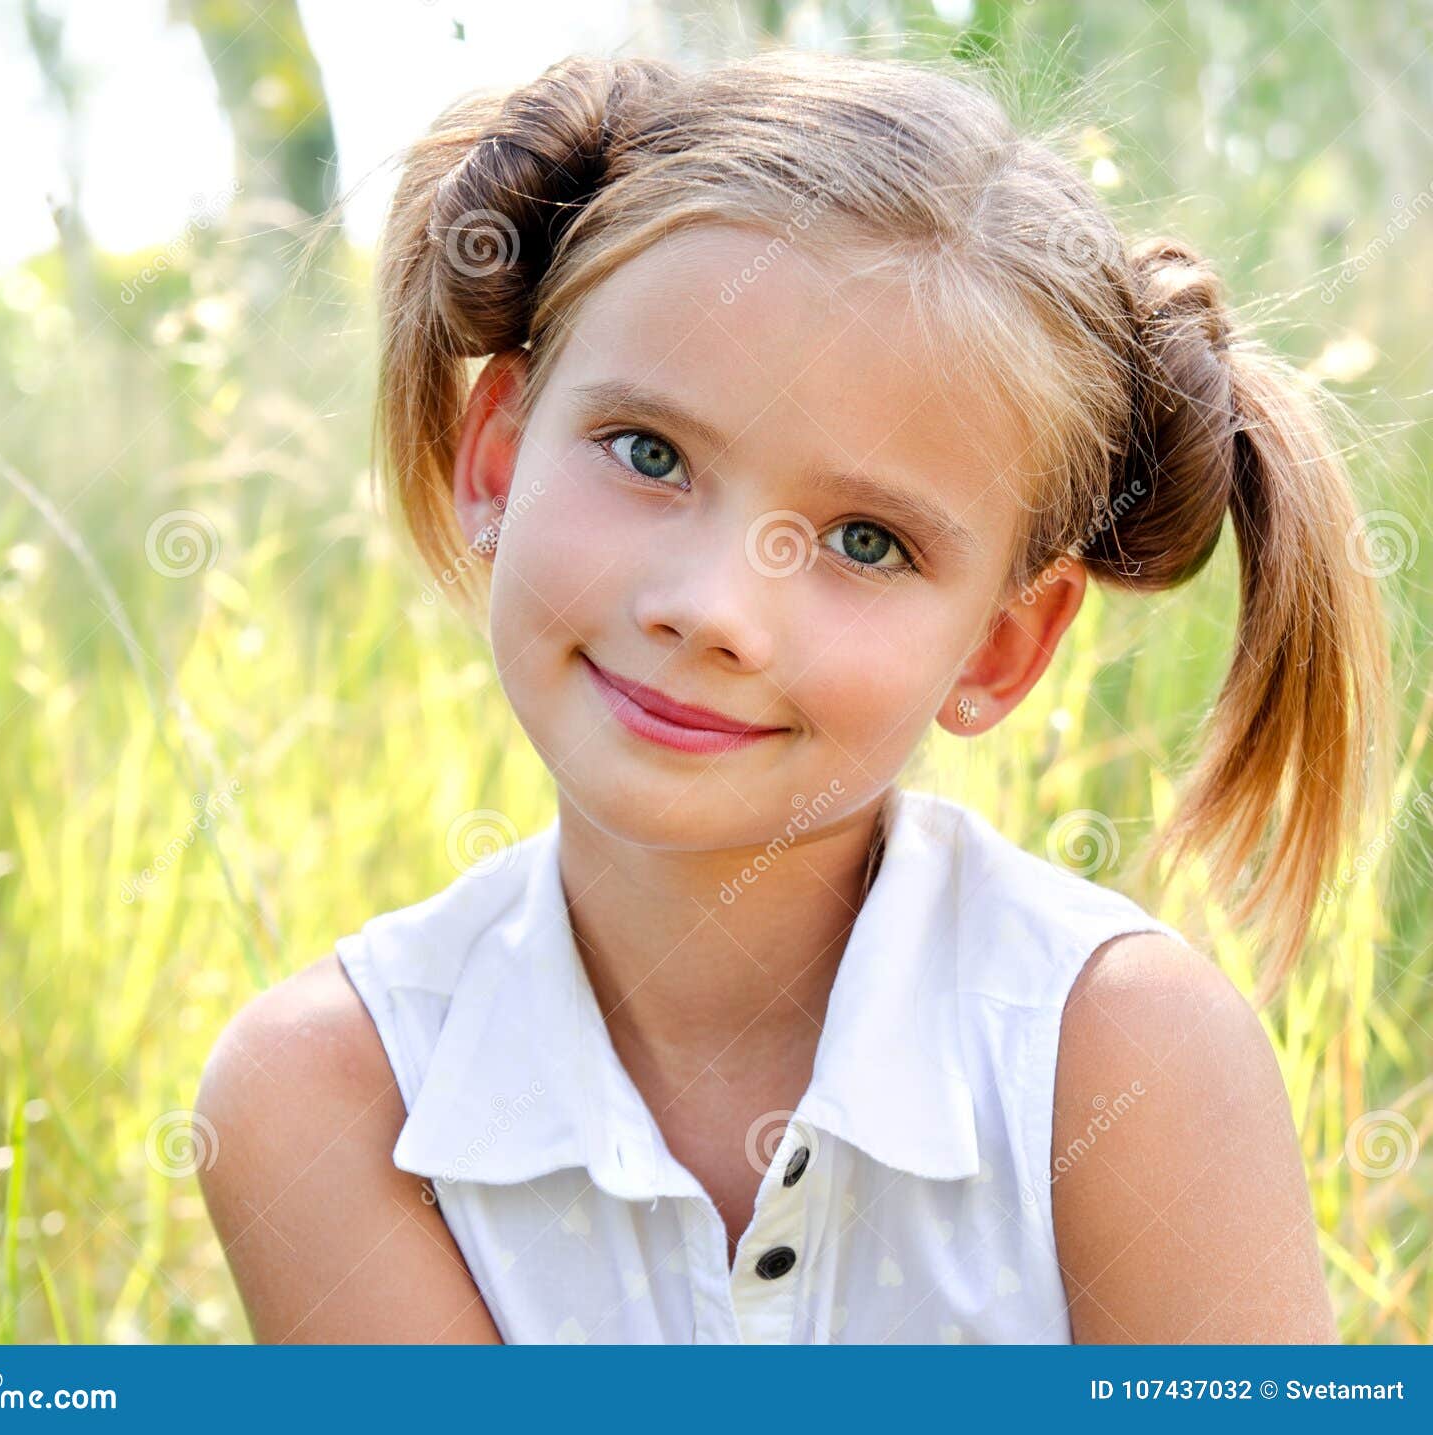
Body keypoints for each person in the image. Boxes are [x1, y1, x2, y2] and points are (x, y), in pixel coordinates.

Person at [195, 48, 1395, 1344]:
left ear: (1001, 648)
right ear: (499, 452)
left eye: (867, 541)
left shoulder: (1119, 1064)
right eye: (649, 453)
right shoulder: (329, 1099)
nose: (714, 606)